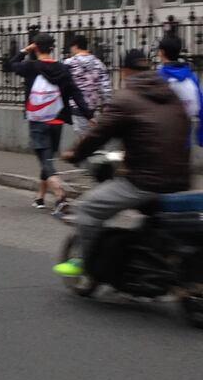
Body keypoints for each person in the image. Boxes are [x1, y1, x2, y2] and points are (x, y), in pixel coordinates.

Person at [54, 49, 191, 278]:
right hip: (180, 178)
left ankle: (85, 264)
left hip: (145, 180)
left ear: (124, 71)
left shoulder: (127, 98)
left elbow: (99, 133)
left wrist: (75, 154)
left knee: (88, 209)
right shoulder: (171, 94)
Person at [10, 33, 93, 215]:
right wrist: (89, 115)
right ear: (52, 48)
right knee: (48, 159)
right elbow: (75, 93)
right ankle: (40, 197)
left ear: (36, 47)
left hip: (38, 120)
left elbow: (9, 65)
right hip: (57, 120)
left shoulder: (31, 67)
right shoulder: (63, 68)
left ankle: (60, 195)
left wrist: (24, 51)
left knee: (45, 160)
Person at [157, 34, 203, 147]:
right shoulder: (191, 76)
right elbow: (200, 106)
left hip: (161, 139)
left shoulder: (158, 77)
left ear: (161, 52)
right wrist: (200, 137)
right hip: (184, 140)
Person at [65, 35, 112, 135]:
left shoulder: (69, 63)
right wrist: (107, 105)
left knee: (84, 139)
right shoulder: (98, 63)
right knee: (90, 137)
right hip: (94, 106)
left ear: (75, 46)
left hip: (76, 106)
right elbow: (105, 87)